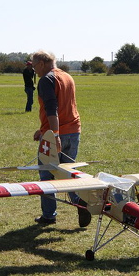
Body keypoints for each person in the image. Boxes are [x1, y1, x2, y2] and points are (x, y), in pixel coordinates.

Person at [31, 50, 91, 227]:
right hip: (73, 131)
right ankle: (81, 203)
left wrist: (54, 135)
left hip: (56, 134)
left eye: (34, 66)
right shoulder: (67, 77)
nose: (34, 69)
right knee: (68, 173)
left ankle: (49, 216)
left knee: (46, 175)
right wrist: (42, 130)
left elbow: (52, 109)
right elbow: (64, 107)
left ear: (42, 63)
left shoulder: (46, 80)